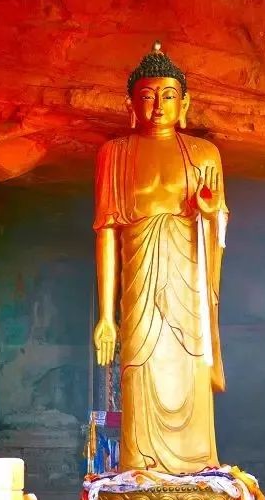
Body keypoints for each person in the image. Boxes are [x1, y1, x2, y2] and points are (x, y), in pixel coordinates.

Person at [93, 42, 228, 475]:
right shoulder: (114, 154)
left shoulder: (204, 154)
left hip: (188, 284)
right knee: (140, 366)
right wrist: (106, 316)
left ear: (184, 103)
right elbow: (107, 231)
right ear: (130, 104)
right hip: (140, 287)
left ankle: (197, 467)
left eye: (168, 96)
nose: (157, 106)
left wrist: (210, 214)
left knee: (190, 366)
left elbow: (218, 225)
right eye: (147, 96)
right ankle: (140, 468)